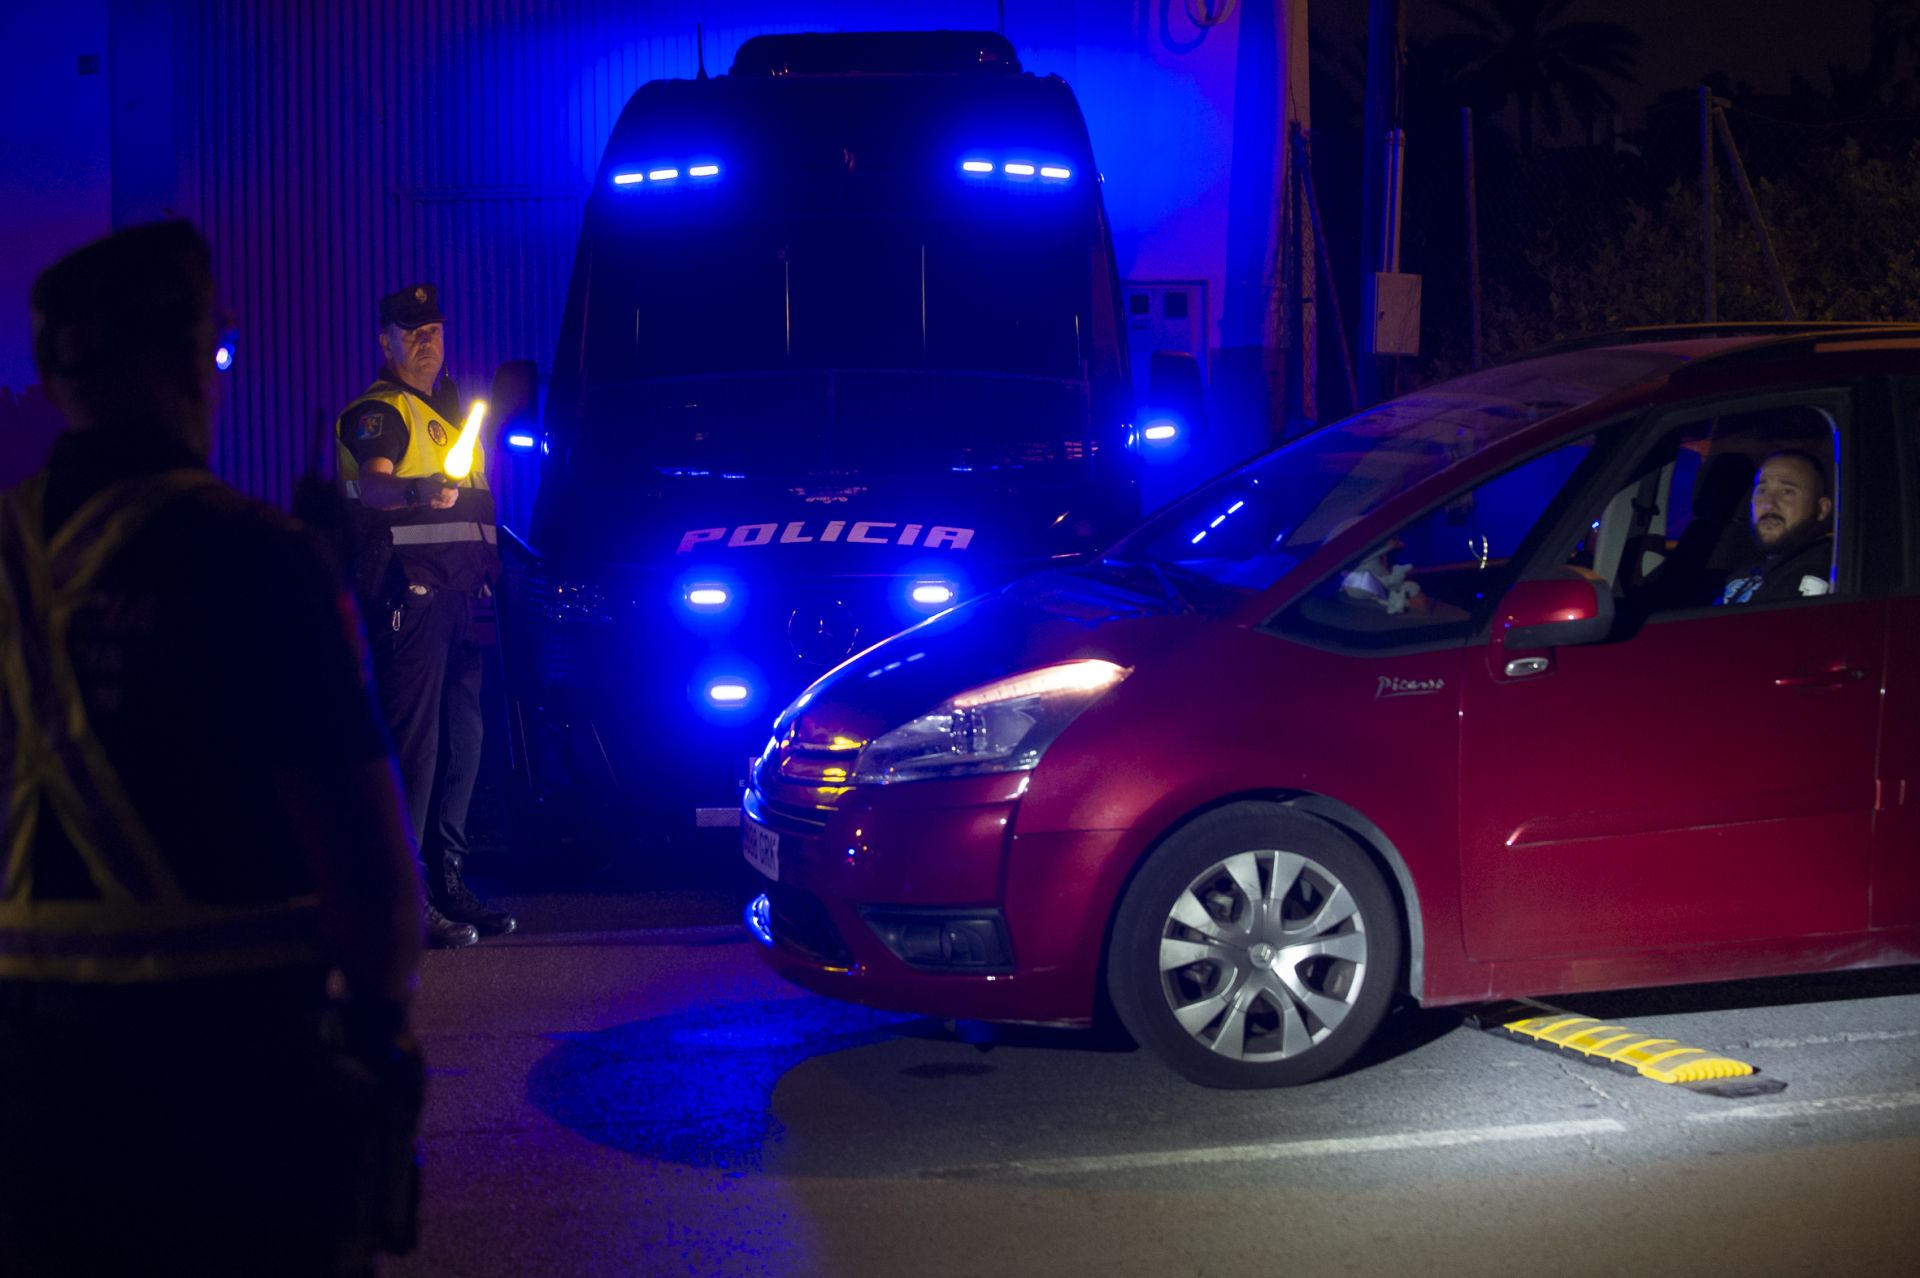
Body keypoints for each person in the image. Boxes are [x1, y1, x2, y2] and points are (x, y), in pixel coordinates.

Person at [0, 220, 425, 1274]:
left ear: (58, 373)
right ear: (197, 360)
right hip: (236, 1091)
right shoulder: (264, 563)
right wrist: (376, 1041)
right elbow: (377, 889)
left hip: (22, 1098)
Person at [335, 283, 515, 948]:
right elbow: (375, 482)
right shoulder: (379, 412)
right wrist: (415, 488)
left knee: (463, 747)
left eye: (432, 329)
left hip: (464, 600)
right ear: (384, 342)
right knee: (416, 747)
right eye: (410, 332)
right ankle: (404, 899)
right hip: (410, 597)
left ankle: (447, 883)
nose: (425, 342)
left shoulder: (450, 413)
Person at [1717, 449, 1835, 605]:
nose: (1768, 504)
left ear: (1822, 509)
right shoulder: (1752, 570)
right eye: (1762, 491)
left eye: (1787, 492)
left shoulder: (1813, 573)